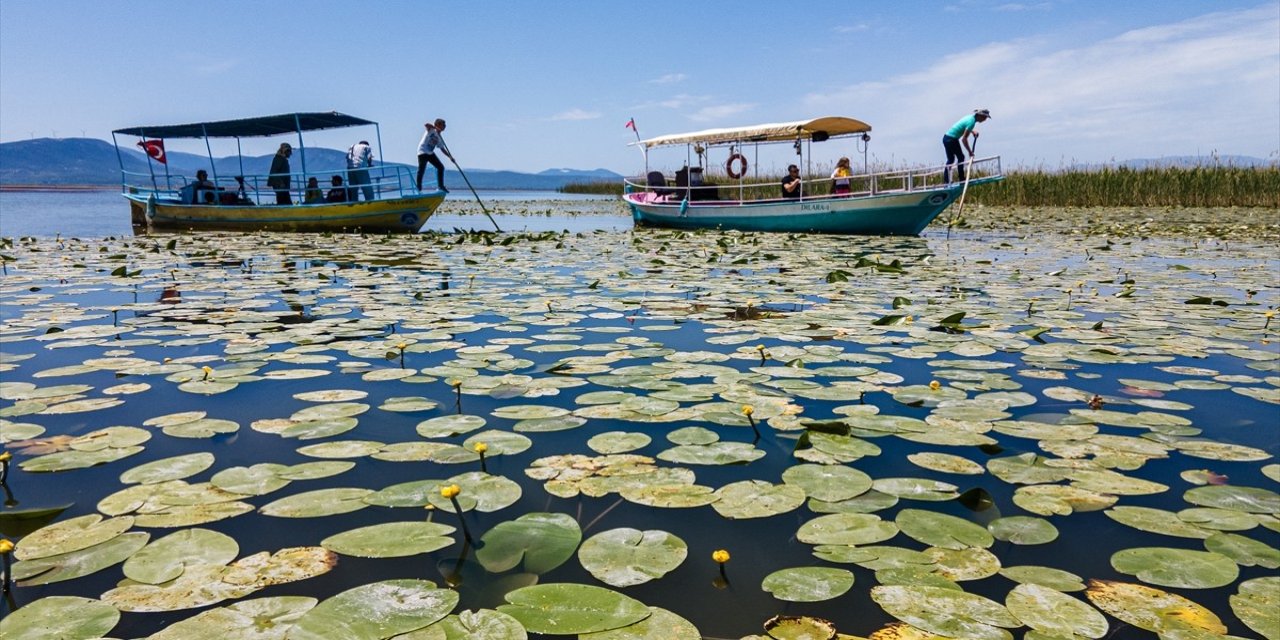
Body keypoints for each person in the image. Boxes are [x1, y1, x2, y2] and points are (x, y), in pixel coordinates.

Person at [943, 109, 990, 184]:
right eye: (984, 117)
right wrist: (970, 152)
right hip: (952, 139)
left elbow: (964, 126)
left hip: (946, 138)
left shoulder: (970, 118)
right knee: (961, 157)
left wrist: (972, 131)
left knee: (951, 159)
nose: (985, 120)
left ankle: (946, 180)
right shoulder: (971, 122)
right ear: (979, 115)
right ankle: (961, 179)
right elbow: (964, 139)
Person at [416, 119, 454, 192]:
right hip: (422, 151)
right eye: (443, 125)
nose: (445, 127)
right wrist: (435, 127)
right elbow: (426, 125)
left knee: (440, 167)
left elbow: (442, 149)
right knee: (421, 169)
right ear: (438, 125)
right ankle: (418, 188)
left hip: (430, 153)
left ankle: (441, 186)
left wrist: (450, 157)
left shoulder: (439, 138)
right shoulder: (431, 130)